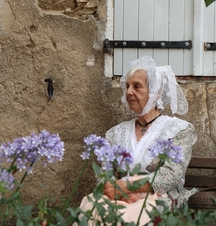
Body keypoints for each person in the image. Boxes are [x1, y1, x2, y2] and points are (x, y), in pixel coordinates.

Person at [77, 56, 197, 225]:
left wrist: (130, 187)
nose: (129, 92)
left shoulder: (179, 130)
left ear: (156, 92)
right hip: (117, 196)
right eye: (127, 86)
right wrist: (112, 188)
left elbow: (171, 175)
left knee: (131, 217)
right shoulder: (115, 133)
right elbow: (104, 174)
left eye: (137, 86)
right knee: (91, 207)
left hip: (157, 197)